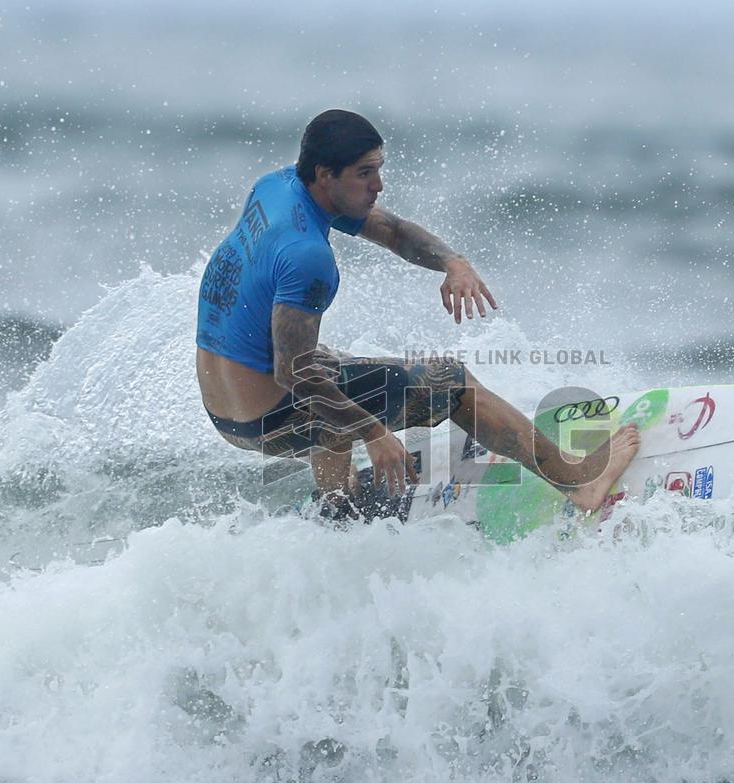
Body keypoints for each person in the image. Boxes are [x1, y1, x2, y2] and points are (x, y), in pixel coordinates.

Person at [195, 109, 639, 516]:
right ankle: (579, 482)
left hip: (226, 410)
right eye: (364, 173)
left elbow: (391, 231)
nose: (378, 185)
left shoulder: (278, 187)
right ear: (325, 175)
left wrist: (453, 262)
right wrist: (373, 433)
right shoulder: (307, 256)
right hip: (269, 418)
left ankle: (338, 507)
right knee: (452, 381)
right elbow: (294, 376)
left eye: (379, 170)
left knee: (328, 364)